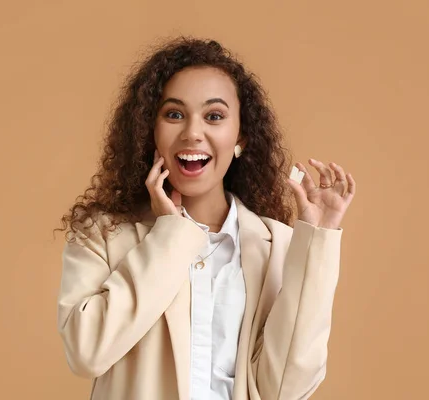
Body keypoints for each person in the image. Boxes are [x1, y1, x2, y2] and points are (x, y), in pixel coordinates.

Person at [55, 37, 356, 400]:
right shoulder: (103, 234)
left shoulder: (278, 247)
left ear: (241, 136)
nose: (192, 133)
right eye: (174, 114)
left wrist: (317, 239)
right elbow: (86, 353)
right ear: (150, 129)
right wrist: (169, 237)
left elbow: (285, 389)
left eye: (214, 116)